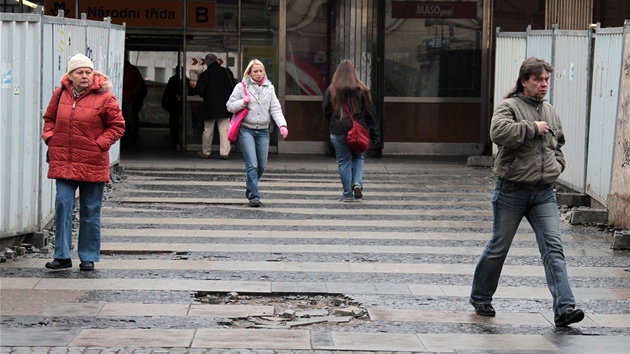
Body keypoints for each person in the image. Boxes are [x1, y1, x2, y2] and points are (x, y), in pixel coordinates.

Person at [469, 56, 584, 327]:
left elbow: (558, 144)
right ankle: (481, 296)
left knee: (553, 248)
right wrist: (531, 128)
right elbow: (498, 133)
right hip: (511, 191)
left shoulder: (551, 111)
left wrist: (558, 165)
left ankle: (565, 308)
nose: (544, 85)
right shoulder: (509, 107)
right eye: (538, 80)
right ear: (524, 82)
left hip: (544, 193)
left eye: (546, 80)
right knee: (499, 247)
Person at [41, 53, 125, 271]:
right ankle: (61, 256)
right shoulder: (59, 94)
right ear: (70, 75)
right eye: (80, 72)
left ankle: (88, 257)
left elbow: (118, 125)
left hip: (92, 162)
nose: (85, 76)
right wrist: (51, 138)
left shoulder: (105, 97)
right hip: (64, 163)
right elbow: (49, 119)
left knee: (90, 210)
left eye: (88, 72)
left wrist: (99, 144)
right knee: (62, 205)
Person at [226, 59, 288, 207]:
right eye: (255, 71)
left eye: (261, 71)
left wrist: (282, 125)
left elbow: (275, 108)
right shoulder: (241, 87)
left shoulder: (269, 88)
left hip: (263, 131)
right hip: (246, 130)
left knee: (262, 166)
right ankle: (254, 196)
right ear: (249, 73)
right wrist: (243, 102)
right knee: (252, 164)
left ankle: (250, 185)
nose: (259, 74)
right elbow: (229, 105)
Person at [322, 59, 380, 202]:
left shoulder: (331, 90)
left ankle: (347, 194)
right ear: (354, 73)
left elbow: (326, 110)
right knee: (358, 157)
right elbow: (370, 113)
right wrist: (375, 133)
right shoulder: (362, 90)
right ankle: (357, 183)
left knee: (344, 161)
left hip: (338, 130)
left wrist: (335, 121)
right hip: (358, 130)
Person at [196, 53, 236, 159]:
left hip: (210, 106)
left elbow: (199, 90)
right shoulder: (227, 72)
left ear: (207, 62)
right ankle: (224, 153)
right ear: (217, 61)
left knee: (208, 129)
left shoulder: (206, 74)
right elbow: (234, 88)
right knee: (224, 130)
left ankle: (206, 152)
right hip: (225, 106)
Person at [161, 65, 191, 145]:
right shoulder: (185, 80)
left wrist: (164, 102)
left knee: (175, 119)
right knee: (177, 119)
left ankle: (176, 134)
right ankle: (177, 135)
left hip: (177, 103)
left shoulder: (177, 80)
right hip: (178, 103)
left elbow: (167, 92)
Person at [122, 56, 147, 147]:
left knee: (130, 119)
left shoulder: (132, 70)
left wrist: (134, 93)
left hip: (129, 99)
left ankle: (131, 137)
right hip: (119, 99)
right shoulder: (121, 68)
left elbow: (139, 84)